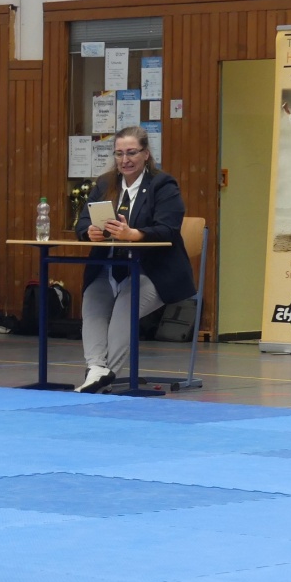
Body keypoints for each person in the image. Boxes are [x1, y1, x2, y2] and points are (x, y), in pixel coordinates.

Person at [74, 125, 196, 393]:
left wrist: (135, 234)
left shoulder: (162, 184)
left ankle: (107, 375)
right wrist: (89, 231)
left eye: (131, 153)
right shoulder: (105, 183)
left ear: (146, 154)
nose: (125, 160)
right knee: (92, 301)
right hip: (109, 268)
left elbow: (168, 229)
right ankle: (95, 368)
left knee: (125, 309)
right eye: (119, 154)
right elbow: (82, 222)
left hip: (150, 271)